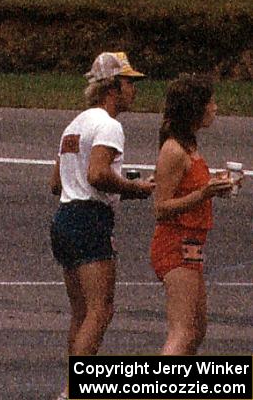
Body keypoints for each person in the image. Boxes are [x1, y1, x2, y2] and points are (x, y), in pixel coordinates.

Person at [48, 52, 154, 400]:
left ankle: (69, 388)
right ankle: (74, 390)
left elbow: (55, 182)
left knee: (81, 313)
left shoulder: (74, 125)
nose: (133, 90)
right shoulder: (109, 125)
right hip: (89, 218)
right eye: (129, 83)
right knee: (100, 309)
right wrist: (134, 189)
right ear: (113, 87)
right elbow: (97, 174)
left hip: (65, 216)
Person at [152, 75, 235, 355]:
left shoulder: (189, 147)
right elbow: (161, 207)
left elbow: (190, 187)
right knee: (183, 331)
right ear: (194, 107)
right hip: (175, 243)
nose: (215, 107)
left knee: (196, 329)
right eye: (210, 102)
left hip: (192, 244)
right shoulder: (174, 150)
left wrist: (216, 186)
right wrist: (204, 194)